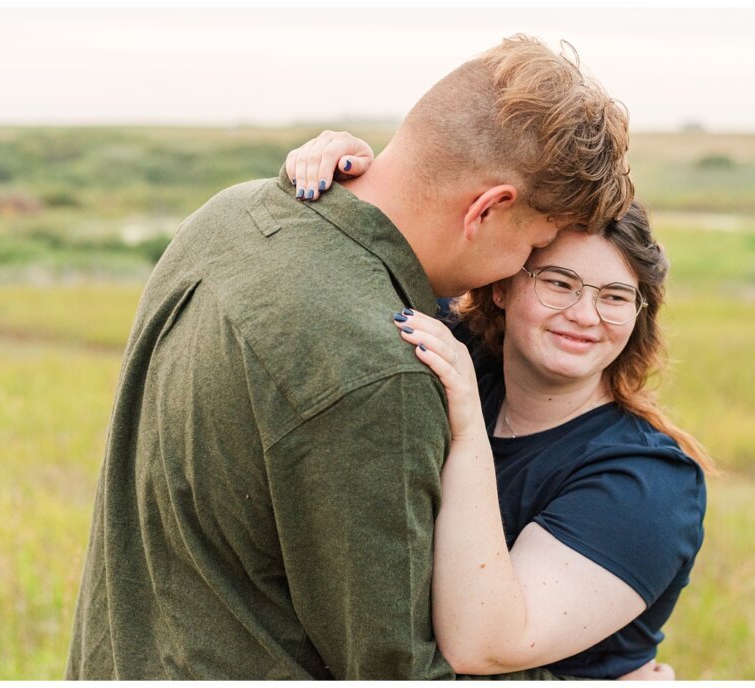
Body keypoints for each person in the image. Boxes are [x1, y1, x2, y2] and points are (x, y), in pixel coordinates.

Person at [65, 35, 633, 680]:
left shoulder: (227, 215)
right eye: (534, 246)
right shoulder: (381, 369)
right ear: (488, 208)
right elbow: (394, 669)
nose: (520, 271)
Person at [288, 133, 717, 679]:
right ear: (502, 286)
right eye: (559, 283)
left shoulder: (646, 485)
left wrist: (466, 430)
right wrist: (339, 171)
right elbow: (395, 230)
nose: (585, 315)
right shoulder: (463, 347)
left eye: (614, 296)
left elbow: (483, 645)